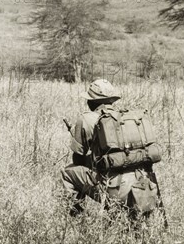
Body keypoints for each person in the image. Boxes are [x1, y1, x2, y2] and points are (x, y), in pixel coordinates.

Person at [61, 79, 162, 221]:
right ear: (112, 100)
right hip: (144, 186)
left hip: (114, 189)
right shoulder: (126, 118)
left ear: (91, 101)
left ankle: (76, 219)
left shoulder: (86, 119)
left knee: (68, 172)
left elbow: (78, 160)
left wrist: (93, 155)